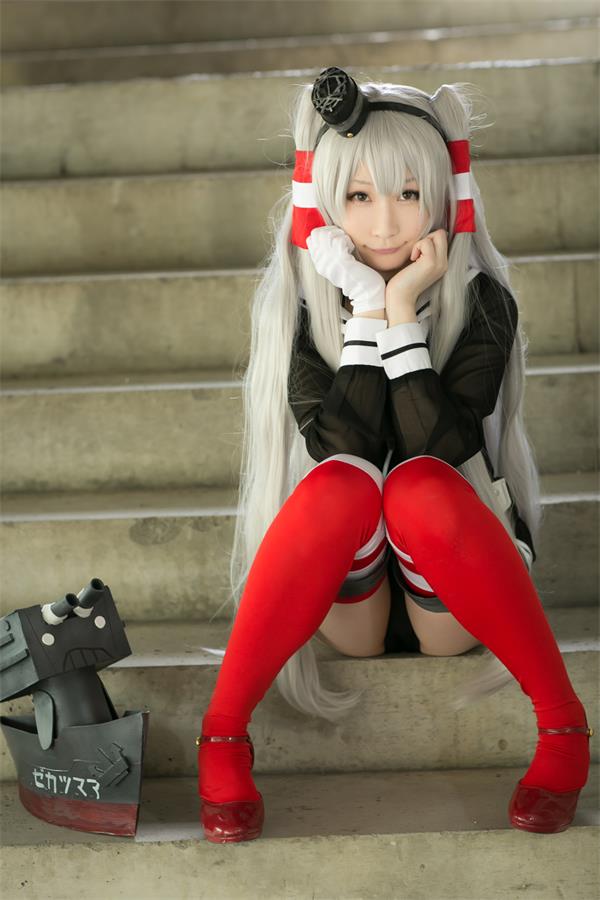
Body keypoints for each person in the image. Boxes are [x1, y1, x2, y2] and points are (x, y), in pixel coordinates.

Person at [197, 67, 593, 843]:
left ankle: (563, 724)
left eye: (410, 194)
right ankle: (222, 733)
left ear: (445, 200)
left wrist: (402, 309)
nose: (384, 223)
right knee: (344, 484)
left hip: (457, 580)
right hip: (350, 592)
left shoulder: (482, 302)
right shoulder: (299, 310)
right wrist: (365, 306)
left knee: (417, 485)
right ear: (325, 204)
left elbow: (438, 448)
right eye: (358, 196)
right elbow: (340, 446)